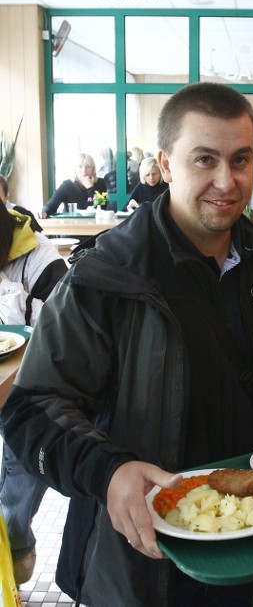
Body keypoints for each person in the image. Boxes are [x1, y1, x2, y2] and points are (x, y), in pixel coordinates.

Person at [1, 82, 253, 607]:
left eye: (241, 159)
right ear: (166, 164)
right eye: (205, 159)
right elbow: (31, 410)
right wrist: (108, 472)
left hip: (240, 539)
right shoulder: (107, 278)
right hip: (137, 555)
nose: (227, 181)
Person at [0, 203, 67, 585]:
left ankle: (16, 545)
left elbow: (65, 328)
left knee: (23, 467)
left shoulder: (37, 257)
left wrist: (14, 300)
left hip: (29, 388)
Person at [38, 153, 107, 218]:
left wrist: (90, 188)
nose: (84, 170)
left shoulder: (100, 183)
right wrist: (44, 212)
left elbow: (100, 208)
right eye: (80, 166)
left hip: (95, 224)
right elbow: (52, 204)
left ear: (93, 169)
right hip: (72, 224)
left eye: (88, 166)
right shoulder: (67, 185)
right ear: (75, 169)